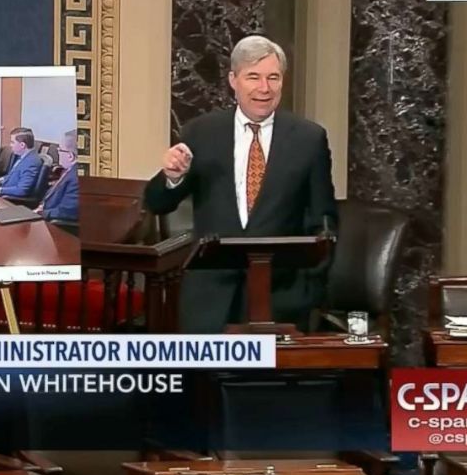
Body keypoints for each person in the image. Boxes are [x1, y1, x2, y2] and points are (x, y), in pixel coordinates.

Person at [144, 35, 337, 333]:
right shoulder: (201, 133)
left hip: (281, 298)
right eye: (254, 77)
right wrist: (172, 177)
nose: (264, 88)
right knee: (205, 381)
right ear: (233, 80)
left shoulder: (308, 139)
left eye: (273, 77)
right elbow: (157, 203)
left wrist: (311, 288)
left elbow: (324, 221)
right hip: (209, 299)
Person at [36, 130, 79, 222]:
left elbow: (66, 212)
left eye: (60, 149)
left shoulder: (76, 178)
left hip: (57, 227)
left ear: (70, 156)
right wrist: (42, 206)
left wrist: (40, 213)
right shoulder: (70, 170)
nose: (58, 152)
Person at [0, 127, 42, 197]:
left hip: (11, 200)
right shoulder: (23, 156)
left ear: (22, 145)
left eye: (12, 142)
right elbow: (13, 175)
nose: (10, 145)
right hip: (4, 190)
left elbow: (22, 190)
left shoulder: (32, 162)